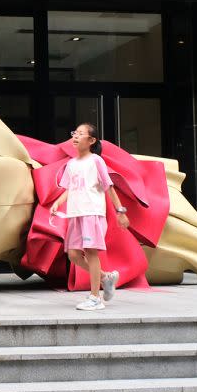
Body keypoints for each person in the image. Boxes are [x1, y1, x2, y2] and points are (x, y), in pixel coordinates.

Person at [50, 123, 130, 311]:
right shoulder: (71, 164)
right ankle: (105, 277)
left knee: (90, 252)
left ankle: (95, 298)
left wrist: (120, 212)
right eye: (74, 133)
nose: (75, 137)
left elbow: (108, 186)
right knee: (73, 255)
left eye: (80, 134)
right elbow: (70, 188)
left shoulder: (96, 161)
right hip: (75, 214)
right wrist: (57, 203)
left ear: (92, 140)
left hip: (91, 213)